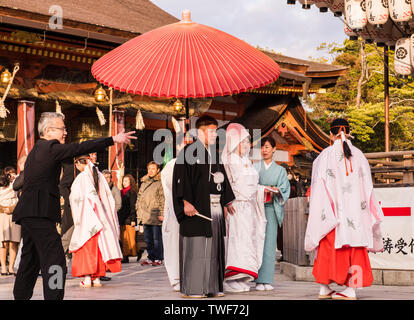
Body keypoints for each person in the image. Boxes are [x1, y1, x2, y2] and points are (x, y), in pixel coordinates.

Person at [12, 112, 136, 300]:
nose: (65, 132)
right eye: (62, 129)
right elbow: (79, 147)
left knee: (30, 259)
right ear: (48, 130)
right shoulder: (50, 147)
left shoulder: (37, 149)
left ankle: (21, 296)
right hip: (39, 212)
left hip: (30, 212)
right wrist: (113, 139)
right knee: (55, 260)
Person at [304, 118, 383, 300]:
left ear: (331, 134)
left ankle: (324, 288)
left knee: (326, 248)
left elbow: (318, 186)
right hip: (355, 211)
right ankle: (351, 289)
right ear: (348, 132)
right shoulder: (359, 155)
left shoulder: (324, 155)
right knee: (354, 248)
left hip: (333, 213)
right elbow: (368, 186)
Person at [172, 115, 235, 299]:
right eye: (212, 131)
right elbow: (180, 178)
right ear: (200, 131)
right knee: (197, 247)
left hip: (215, 208)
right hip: (197, 208)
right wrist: (185, 201)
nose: (216, 135)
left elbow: (222, 179)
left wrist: (226, 201)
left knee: (214, 248)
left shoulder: (213, 154)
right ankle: (194, 288)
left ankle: (211, 286)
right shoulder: (188, 152)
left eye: (216, 131)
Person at [221, 123, 267, 293]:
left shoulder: (247, 160)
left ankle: (241, 276)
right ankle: (230, 277)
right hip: (236, 206)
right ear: (234, 142)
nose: (247, 145)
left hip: (249, 207)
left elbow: (254, 184)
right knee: (236, 241)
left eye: (248, 142)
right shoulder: (228, 159)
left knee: (247, 241)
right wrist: (227, 202)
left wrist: (263, 190)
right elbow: (225, 184)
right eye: (243, 142)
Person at [69, 155, 122, 288]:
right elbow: (107, 197)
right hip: (100, 218)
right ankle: (97, 278)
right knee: (99, 249)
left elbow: (75, 197)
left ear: (78, 164)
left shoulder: (81, 177)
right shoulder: (99, 175)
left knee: (86, 248)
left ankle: (87, 278)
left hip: (87, 218)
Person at [253, 136, 290, 290]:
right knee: (257, 243)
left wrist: (276, 190)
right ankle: (257, 278)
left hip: (271, 208)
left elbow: (284, 189)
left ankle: (267, 279)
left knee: (269, 244)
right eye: (262, 147)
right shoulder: (254, 167)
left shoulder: (280, 170)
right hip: (257, 209)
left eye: (267, 147)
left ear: (274, 149)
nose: (264, 150)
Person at [136, 161, 165, 266]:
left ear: (158, 170)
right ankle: (150, 256)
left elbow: (163, 199)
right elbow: (139, 197)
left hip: (155, 214)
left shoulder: (160, 182)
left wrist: (162, 213)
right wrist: (138, 213)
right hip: (145, 215)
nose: (151, 171)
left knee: (157, 239)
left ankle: (158, 257)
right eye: (149, 169)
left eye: (153, 169)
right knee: (148, 239)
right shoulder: (144, 182)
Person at [160, 158, 180, 291]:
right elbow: (171, 186)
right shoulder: (172, 165)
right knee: (173, 245)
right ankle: (176, 278)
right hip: (174, 212)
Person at [0, 174, 20, 275]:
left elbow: (18, 199)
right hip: (2, 216)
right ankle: (3, 267)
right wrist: (3, 208)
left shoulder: (14, 187)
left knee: (14, 241)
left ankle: (11, 267)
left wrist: (12, 208)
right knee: (4, 242)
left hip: (14, 216)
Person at [118, 174, 138, 263]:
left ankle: (126, 256)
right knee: (123, 238)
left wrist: (133, 219)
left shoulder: (132, 192)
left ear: (130, 182)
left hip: (129, 217)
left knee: (130, 239)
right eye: (123, 181)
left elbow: (133, 206)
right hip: (121, 217)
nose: (124, 183)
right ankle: (135, 252)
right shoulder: (121, 192)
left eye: (126, 181)